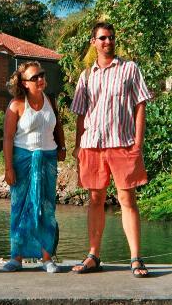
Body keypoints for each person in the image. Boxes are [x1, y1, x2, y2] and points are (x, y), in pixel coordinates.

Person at [71, 22, 151, 277]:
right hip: (92, 145)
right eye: (103, 38)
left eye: (111, 38)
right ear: (93, 42)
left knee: (127, 199)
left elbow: (140, 105)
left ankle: (136, 258)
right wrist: (77, 146)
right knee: (95, 200)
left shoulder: (129, 69)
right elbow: (81, 115)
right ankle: (93, 255)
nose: (108, 42)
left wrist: (138, 143)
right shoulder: (86, 76)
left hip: (122, 143)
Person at [3, 61, 66, 273]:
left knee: (46, 208)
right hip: (22, 160)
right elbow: (8, 138)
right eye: (35, 77)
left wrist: (62, 146)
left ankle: (47, 257)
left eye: (42, 74)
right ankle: (16, 257)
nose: (40, 79)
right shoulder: (16, 105)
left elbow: (57, 125)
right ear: (24, 83)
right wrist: (8, 168)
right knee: (20, 209)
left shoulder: (50, 100)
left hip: (47, 160)